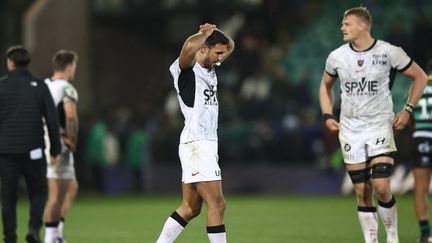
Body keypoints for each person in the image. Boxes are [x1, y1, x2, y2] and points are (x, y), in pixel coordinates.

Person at [319, 7, 428, 243]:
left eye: (347, 23)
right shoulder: (337, 57)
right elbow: (325, 86)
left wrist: (408, 110)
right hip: (350, 130)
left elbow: (420, 76)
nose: (342, 28)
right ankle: (371, 240)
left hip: (379, 125)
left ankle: (392, 235)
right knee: (362, 191)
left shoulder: (389, 52)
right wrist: (327, 115)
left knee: (380, 186)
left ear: (362, 26)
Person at [156, 23, 234, 243]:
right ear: (202, 49)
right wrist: (203, 34)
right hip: (198, 144)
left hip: (201, 144)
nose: (221, 58)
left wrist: (217, 35)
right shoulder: (187, 71)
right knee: (217, 205)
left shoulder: (211, 67)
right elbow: (188, 49)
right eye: (217, 53)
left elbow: (231, 46)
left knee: (190, 208)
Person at [0, 45, 61, 243]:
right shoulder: (39, 86)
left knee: (8, 198)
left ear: (10, 62)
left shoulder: (1, 86)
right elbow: (52, 119)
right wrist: (55, 148)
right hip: (33, 151)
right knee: (39, 192)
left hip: (6, 153)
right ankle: (33, 229)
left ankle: (10, 238)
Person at [43, 50, 79, 243]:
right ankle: (51, 238)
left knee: (71, 187)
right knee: (56, 194)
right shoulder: (66, 87)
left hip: (45, 141)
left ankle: (56, 234)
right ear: (69, 66)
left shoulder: (44, 85)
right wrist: (71, 138)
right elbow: (70, 115)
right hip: (59, 144)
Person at [412, 59, 432, 243]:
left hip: (420, 137)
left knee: (421, 188)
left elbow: (408, 115)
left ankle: (425, 234)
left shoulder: (417, 88)